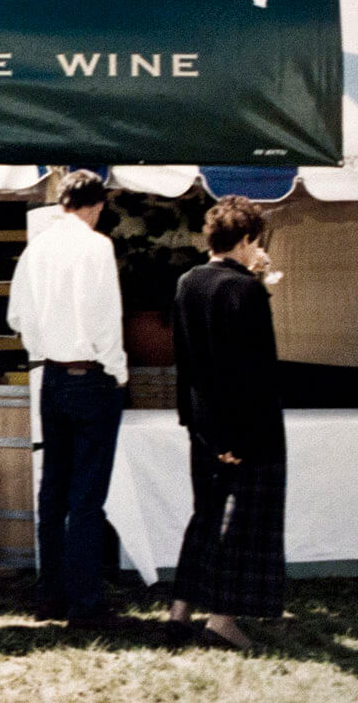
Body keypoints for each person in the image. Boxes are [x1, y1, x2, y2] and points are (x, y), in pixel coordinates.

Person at [7, 170, 129, 629]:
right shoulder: (96, 246)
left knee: (53, 490)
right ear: (96, 206)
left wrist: (44, 344)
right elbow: (105, 321)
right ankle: (85, 602)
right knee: (86, 496)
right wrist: (117, 372)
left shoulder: (36, 249)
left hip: (51, 377)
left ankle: (50, 596)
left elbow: (17, 316)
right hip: (91, 377)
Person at [166, 196, 284, 651]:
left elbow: (191, 365)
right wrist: (240, 439)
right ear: (248, 237)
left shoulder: (187, 283)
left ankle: (180, 611)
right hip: (247, 431)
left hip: (203, 427)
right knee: (243, 524)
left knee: (205, 517)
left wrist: (199, 426)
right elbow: (253, 371)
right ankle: (222, 620)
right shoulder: (246, 292)